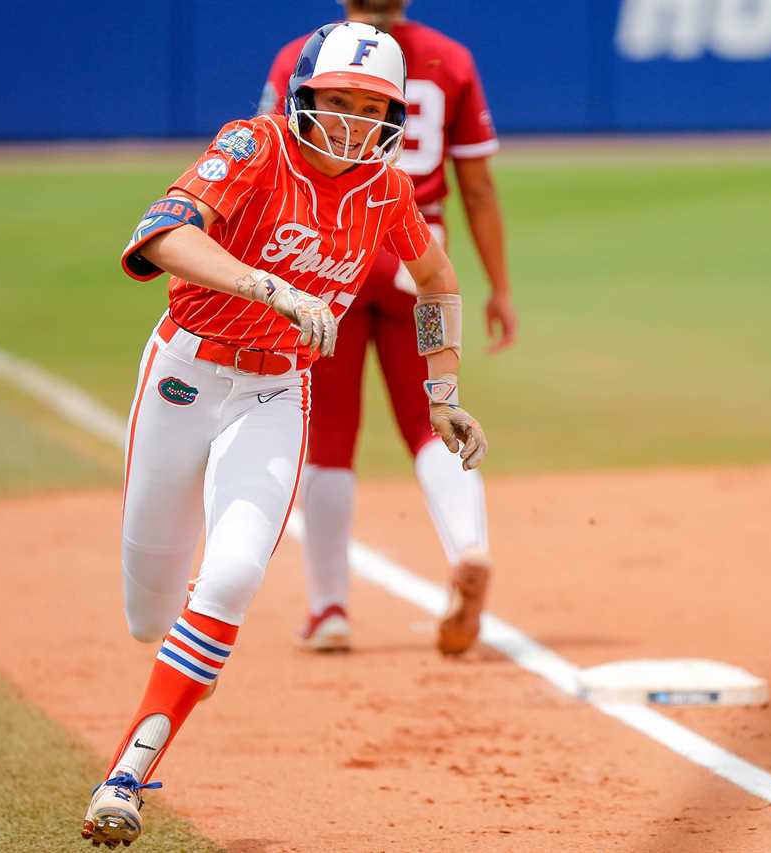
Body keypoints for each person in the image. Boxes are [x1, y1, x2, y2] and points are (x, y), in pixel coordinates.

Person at [81, 21, 487, 848]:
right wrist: (265, 284)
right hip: (185, 376)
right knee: (146, 610)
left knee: (229, 576)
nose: (348, 120)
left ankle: (126, 774)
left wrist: (442, 390)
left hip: (276, 391)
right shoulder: (253, 146)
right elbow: (162, 234)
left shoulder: (383, 187)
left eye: (368, 106)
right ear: (303, 97)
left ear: (392, 116)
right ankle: (184, 663)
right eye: (334, 100)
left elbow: (436, 276)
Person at [260, 0, 516, 657]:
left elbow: (270, 170)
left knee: (330, 438)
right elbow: (479, 186)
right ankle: (469, 547)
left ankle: (330, 609)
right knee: (435, 417)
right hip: (418, 248)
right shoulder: (449, 58)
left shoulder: (303, 55)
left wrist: (268, 282)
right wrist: (499, 287)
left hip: (329, 249)